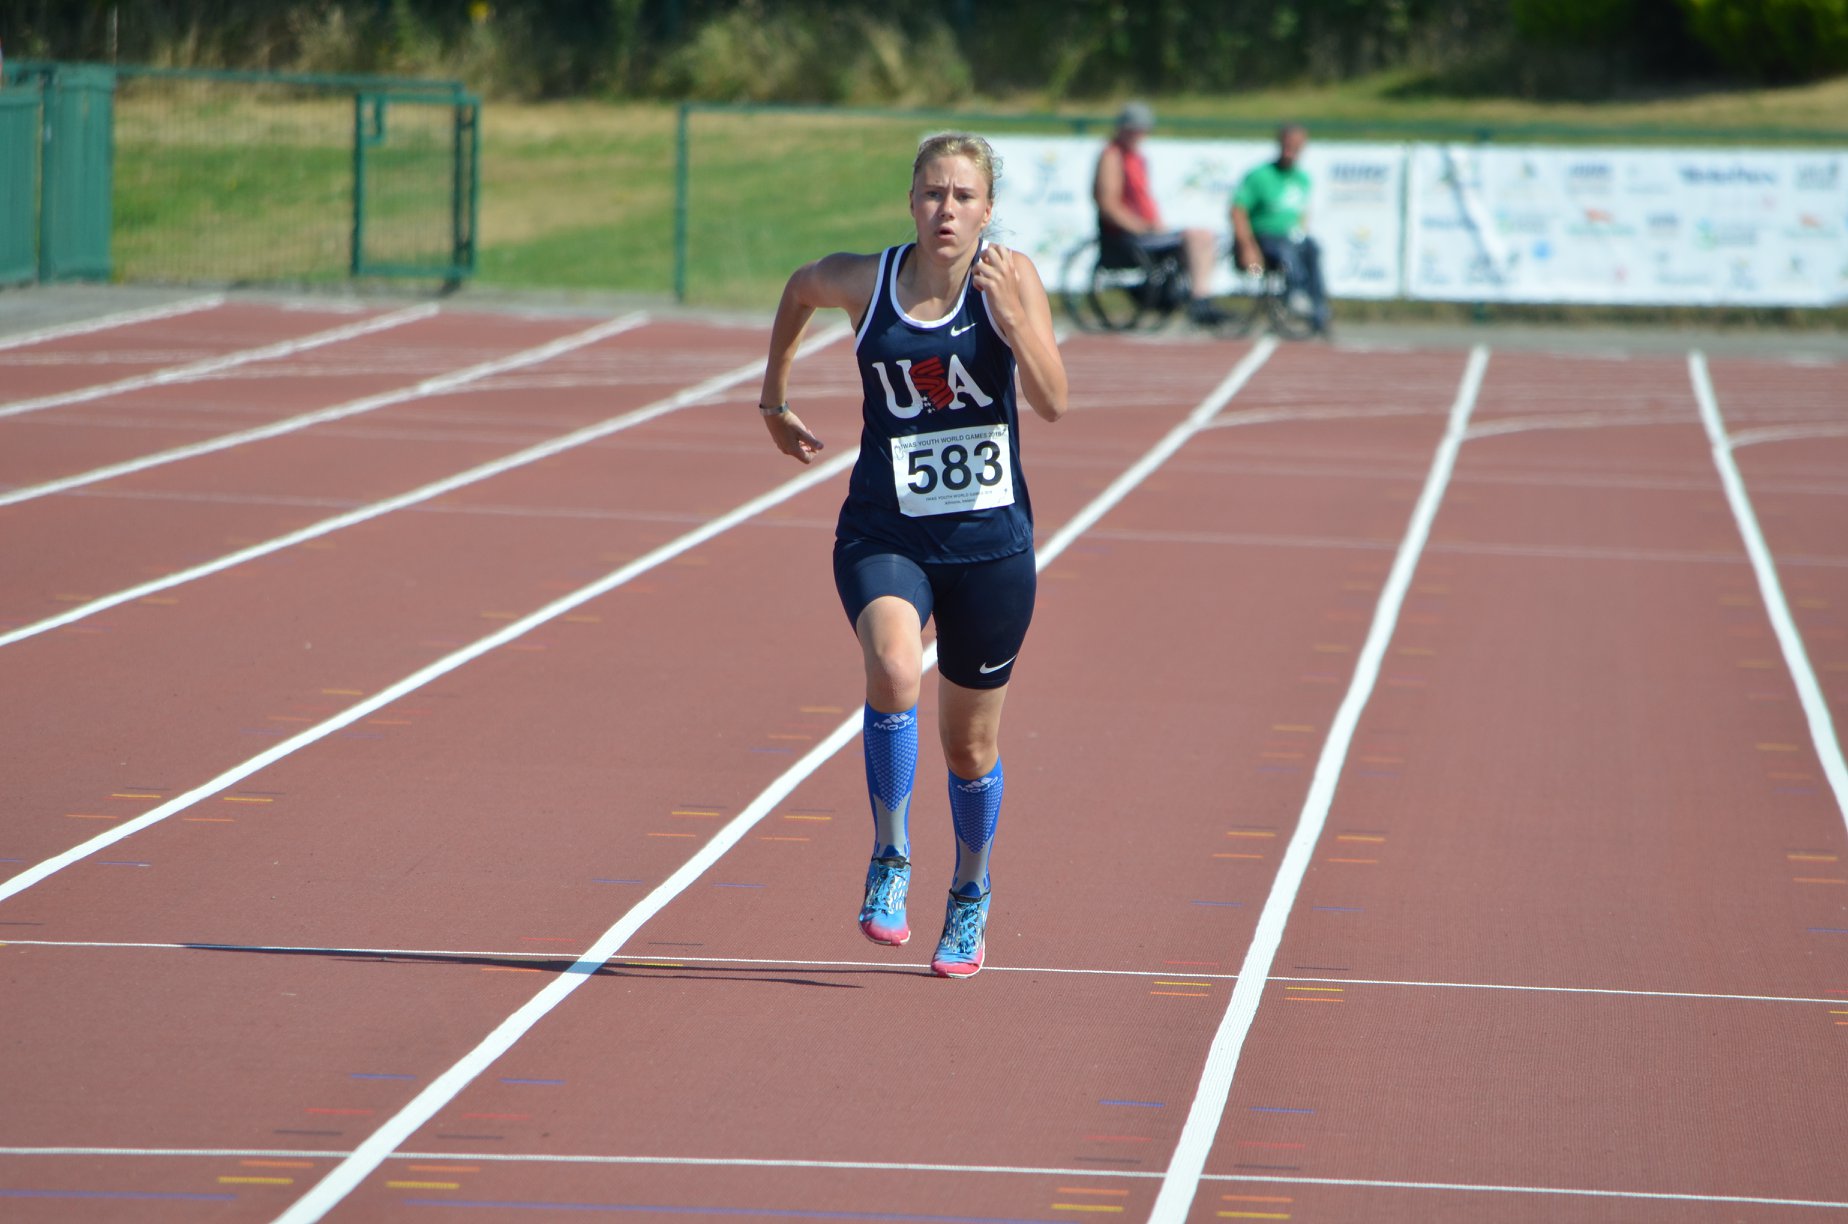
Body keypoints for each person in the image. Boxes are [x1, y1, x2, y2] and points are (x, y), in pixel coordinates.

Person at [756, 132, 1068, 980]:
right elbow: (797, 288)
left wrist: (1010, 320)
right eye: (933, 194)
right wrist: (774, 397)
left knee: (969, 748)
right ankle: (890, 856)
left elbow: (1053, 400)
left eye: (964, 197)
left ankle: (970, 891)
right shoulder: (871, 281)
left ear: (988, 210)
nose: (947, 211)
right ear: (911, 201)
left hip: (989, 547)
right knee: (895, 669)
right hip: (886, 532)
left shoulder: (1012, 278)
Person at [1093, 101, 1227, 327]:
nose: (1140, 134)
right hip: (1127, 235)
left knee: (1204, 237)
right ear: (1123, 129)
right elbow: (1108, 205)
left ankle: (1200, 297)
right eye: (1135, 129)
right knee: (1195, 237)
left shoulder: (1136, 158)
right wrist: (1141, 226)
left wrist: (1155, 225)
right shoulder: (1112, 156)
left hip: (1146, 230)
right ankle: (1199, 301)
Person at [1231, 122, 1332, 337]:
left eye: (1296, 147)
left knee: (1312, 248)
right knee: (1285, 249)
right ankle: (1294, 295)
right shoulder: (1260, 176)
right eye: (1287, 146)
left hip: (1292, 238)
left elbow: (1302, 213)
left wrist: (1301, 231)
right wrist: (1247, 246)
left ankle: (1318, 308)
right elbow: (1238, 211)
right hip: (1264, 240)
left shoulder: (1302, 179)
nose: (1290, 152)